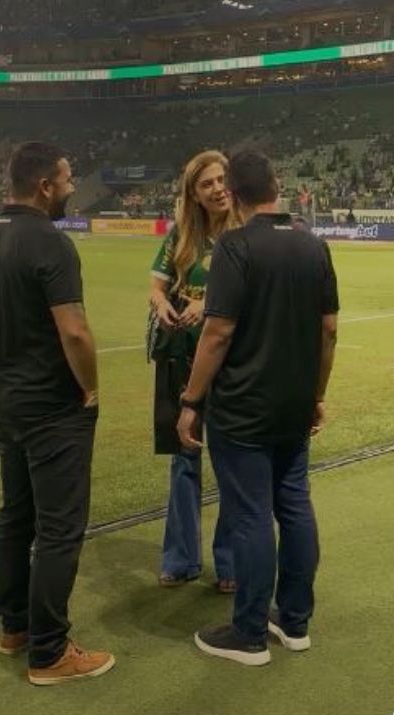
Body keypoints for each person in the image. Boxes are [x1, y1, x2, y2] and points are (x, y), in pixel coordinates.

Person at [177, 150, 338, 666]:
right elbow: (329, 329)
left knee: (249, 517)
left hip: (243, 408)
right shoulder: (314, 247)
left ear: (237, 195)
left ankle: (247, 634)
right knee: (294, 506)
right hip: (293, 404)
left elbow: (218, 331)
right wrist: (315, 394)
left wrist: (190, 401)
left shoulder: (234, 247)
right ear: (277, 185)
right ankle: (294, 622)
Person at [0, 142, 114, 683]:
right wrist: (91, 390)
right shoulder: (50, 242)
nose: (73, 187)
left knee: (16, 516)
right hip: (52, 405)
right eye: (69, 178)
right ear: (46, 185)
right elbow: (73, 329)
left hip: (4, 397)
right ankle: (51, 652)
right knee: (58, 528)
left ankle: (16, 627)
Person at [149, 150, 238, 592]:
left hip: (232, 363)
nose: (218, 188)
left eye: (222, 179)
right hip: (182, 359)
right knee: (183, 461)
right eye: (207, 184)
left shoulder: (243, 233)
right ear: (194, 194)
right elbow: (156, 285)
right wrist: (163, 304)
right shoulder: (181, 235)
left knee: (231, 464)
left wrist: (209, 306)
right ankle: (181, 559)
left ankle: (231, 565)